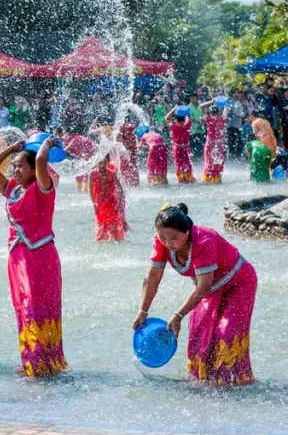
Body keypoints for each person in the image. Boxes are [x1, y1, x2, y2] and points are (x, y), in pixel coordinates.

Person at [134, 204, 257, 386]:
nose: (168, 243)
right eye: (163, 238)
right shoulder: (161, 243)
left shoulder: (203, 241)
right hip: (210, 289)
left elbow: (203, 286)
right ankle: (207, 381)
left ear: (187, 231)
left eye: (174, 238)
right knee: (200, 335)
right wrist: (143, 311)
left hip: (239, 284)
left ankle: (237, 382)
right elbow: (153, 277)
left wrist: (178, 315)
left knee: (226, 332)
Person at [0, 137, 67, 378]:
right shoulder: (11, 189)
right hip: (17, 258)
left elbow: (41, 158)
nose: (16, 170)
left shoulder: (43, 188)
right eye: (14, 166)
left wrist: (48, 144)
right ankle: (32, 356)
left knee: (38, 307)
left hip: (40, 257)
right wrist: (11, 149)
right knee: (23, 308)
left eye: (21, 166)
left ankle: (45, 360)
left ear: (33, 170)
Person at [88, 154, 127, 242]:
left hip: (111, 203)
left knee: (114, 230)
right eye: (100, 163)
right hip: (100, 204)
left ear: (108, 163)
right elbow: (89, 190)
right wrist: (93, 204)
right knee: (101, 229)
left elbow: (120, 189)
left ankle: (116, 248)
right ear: (96, 163)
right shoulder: (93, 173)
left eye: (105, 163)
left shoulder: (112, 173)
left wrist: (118, 204)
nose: (102, 165)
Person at [165, 107, 195, 184]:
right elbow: (189, 119)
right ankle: (188, 178)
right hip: (185, 147)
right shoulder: (186, 126)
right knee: (187, 162)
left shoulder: (174, 127)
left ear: (176, 119)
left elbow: (166, 118)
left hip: (177, 148)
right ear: (184, 120)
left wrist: (174, 109)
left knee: (178, 164)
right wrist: (187, 112)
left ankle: (181, 180)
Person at [200, 101, 227, 184]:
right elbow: (226, 111)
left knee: (209, 162)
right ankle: (217, 180)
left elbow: (201, 106)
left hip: (210, 144)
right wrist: (225, 104)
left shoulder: (208, 119)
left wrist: (211, 101)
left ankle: (208, 180)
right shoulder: (223, 119)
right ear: (218, 112)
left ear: (210, 112)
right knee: (218, 162)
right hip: (219, 145)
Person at [116, 117, 140, 186]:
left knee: (129, 165)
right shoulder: (131, 128)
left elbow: (117, 138)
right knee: (131, 165)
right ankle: (133, 183)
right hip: (128, 151)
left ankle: (130, 182)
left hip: (128, 150)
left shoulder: (126, 128)